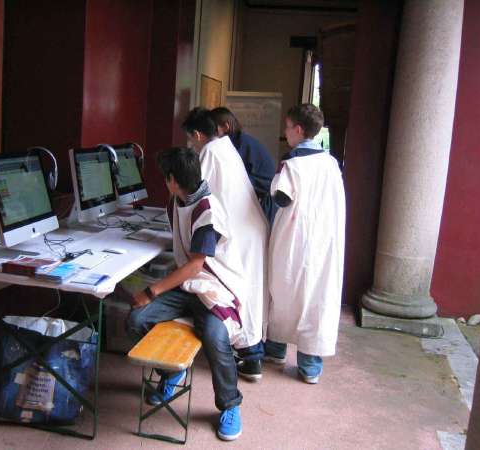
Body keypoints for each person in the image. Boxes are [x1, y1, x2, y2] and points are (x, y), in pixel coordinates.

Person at [127, 147, 244, 441]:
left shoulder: (207, 211)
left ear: (172, 180)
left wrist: (151, 291)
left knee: (216, 338)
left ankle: (230, 404)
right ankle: (170, 374)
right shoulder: (178, 200)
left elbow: (195, 266)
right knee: (135, 320)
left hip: (213, 288)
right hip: (187, 287)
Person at [182, 107, 269, 381]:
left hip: (240, 235)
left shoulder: (209, 152)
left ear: (197, 134)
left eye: (190, 139)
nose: (190, 144)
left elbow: (195, 192)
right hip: (249, 229)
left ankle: (249, 355)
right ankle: (253, 355)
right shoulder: (225, 146)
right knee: (250, 294)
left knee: (236, 292)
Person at [265, 104, 345, 384]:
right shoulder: (331, 163)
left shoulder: (293, 165)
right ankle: (310, 364)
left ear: (298, 130)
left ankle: (275, 347)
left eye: (287, 127)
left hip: (295, 240)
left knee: (285, 290)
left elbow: (282, 198)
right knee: (317, 298)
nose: (285, 132)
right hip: (324, 241)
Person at [210, 107, 277, 224]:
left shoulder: (240, 144)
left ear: (226, 127)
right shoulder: (238, 141)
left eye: (213, 129)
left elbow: (235, 178)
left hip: (263, 201)